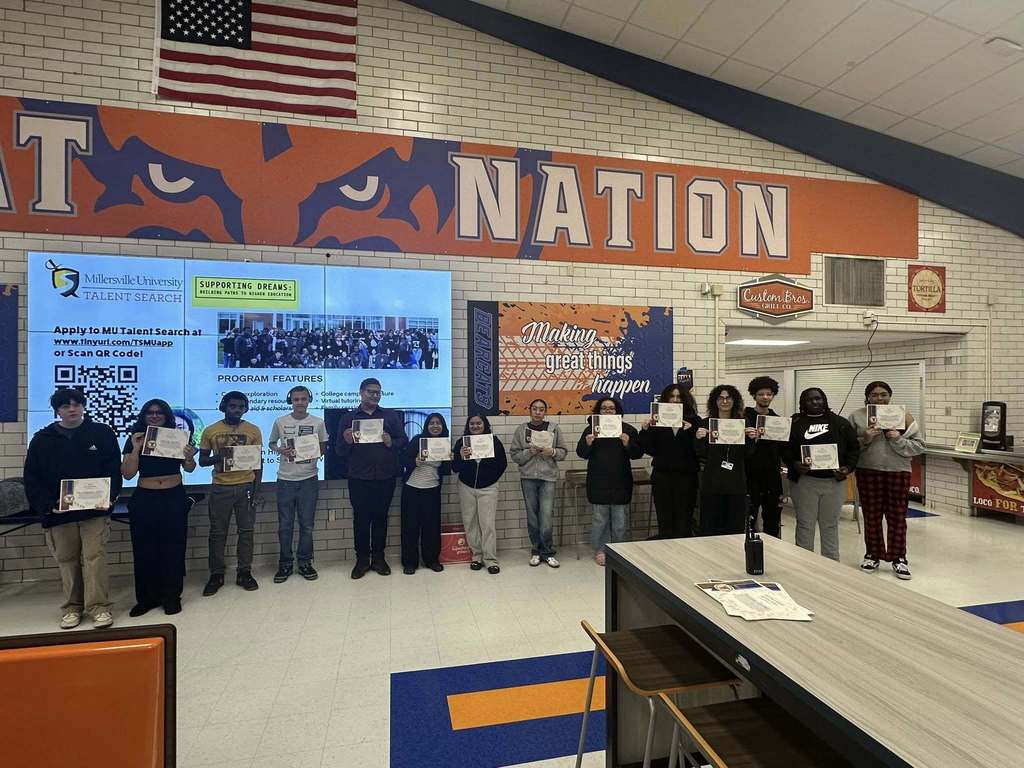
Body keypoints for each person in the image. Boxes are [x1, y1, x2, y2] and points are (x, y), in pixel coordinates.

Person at [23, 388, 122, 629]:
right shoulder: (42, 439)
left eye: (76, 404)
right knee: (67, 560)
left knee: (94, 558)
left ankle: (99, 608)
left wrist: (109, 498)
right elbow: (32, 478)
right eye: (65, 406)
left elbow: (113, 470)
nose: (71, 409)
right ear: (57, 410)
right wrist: (48, 506)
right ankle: (72, 608)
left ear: (83, 406)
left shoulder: (101, 433)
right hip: (59, 514)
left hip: (95, 512)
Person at [121, 399, 196, 616]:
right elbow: (127, 473)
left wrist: (189, 457)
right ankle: (146, 599)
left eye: (159, 413)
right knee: (145, 551)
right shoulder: (135, 438)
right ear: (144, 416)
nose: (154, 416)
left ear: (166, 417)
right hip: (145, 499)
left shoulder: (177, 437)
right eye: (150, 413)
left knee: (173, 549)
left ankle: (172, 597)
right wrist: (135, 449)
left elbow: (189, 469)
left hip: (173, 497)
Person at [849, 381, 925, 580]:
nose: (879, 398)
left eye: (883, 394)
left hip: (898, 472)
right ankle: (872, 554)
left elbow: (919, 446)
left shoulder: (905, 417)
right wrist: (864, 439)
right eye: (874, 395)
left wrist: (897, 438)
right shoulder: (857, 417)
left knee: (897, 517)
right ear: (867, 397)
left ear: (890, 396)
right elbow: (848, 448)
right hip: (868, 471)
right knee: (871, 516)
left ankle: (899, 558)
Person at [336, 377, 408, 579]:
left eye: (378, 392)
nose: (375, 395)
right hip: (358, 478)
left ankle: (378, 558)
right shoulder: (348, 418)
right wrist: (346, 440)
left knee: (380, 518)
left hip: (386, 476)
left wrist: (391, 442)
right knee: (360, 520)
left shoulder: (390, 416)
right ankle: (361, 560)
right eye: (370, 392)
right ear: (361, 392)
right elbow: (339, 451)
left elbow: (403, 440)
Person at [783, 388, 860, 561]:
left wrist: (847, 468)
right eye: (810, 400)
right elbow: (785, 450)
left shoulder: (840, 423)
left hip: (834, 483)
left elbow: (854, 449)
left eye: (818, 399)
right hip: (804, 483)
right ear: (803, 403)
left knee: (830, 525)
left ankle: (831, 563)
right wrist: (794, 464)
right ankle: (804, 564)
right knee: (805, 524)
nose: (815, 402)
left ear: (824, 400)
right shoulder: (794, 424)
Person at [198, 391, 263, 595]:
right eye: (232, 406)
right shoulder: (211, 431)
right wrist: (222, 457)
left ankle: (244, 571)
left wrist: (257, 489)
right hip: (220, 487)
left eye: (241, 407)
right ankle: (216, 574)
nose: (236, 410)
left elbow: (257, 462)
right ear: (225, 406)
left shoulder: (253, 430)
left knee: (246, 531)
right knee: (218, 533)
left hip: (246, 486)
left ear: (245, 408)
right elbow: (202, 461)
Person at [269, 386, 328, 584]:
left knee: (307, 526)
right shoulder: (280, 421)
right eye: (296, 399)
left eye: (303, 399)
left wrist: (314, 451)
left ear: (309, 400)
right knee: (285, 525)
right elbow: (271, 443)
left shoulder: (318, 423)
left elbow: (323, 447)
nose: (300, 402)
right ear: (290, 400)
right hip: (285, 479)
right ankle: (285, 563)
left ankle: (304, 563)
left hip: (309, 479)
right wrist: (280, 450)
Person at [576, 397, 643, 566]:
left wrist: (628, 444)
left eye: (611, 408)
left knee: (620, 521)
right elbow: (581, 453)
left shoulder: (627, 430)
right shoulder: (591, 430)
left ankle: (619, 551)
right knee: (600, 520)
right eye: (604, 408)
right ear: (598, 411)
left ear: (617, 411)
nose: (607, 411)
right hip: (598, 481)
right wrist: (588, 443)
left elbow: (637, 454)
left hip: (621, 481)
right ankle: (601, 550)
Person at [509, 399, 568, 567]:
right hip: (528, 477)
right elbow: (514, 455)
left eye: (541, 409)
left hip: (548, 477)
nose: (537, 412)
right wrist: (529, 452)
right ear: (530, 411)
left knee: (546, 516)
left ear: (545, 412)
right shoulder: (521, 430)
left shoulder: (554, 428)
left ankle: (547, 552)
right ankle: (536, 551)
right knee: (532, 516)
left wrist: (553, 452)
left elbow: (563, 453)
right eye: (534, 408)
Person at [640, 384, 700, 539]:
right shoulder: (657, 420)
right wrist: (645, 431)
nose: (675, 400)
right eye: (671, 396)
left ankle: (682, 553)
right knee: (664, 515)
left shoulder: (695, 421)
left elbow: (698, 450)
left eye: (678, 396)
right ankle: (665, 550)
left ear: (685, 399)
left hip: (686, 476)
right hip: (662, 475)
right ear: (665, 399)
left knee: (684, 515)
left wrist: (691, 431)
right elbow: (649, 449)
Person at [453, 413, 508, 574]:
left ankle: (490, 559)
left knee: (487, 524)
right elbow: (454, 467)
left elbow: (502, 463)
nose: (475, 426)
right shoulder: (461, 443)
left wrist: (491, 479)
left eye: (478, 423)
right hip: (466, 487)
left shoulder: (494, 441)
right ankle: (476, 556)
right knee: (470, 522)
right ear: (467, 426)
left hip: (488, 488)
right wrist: (461, 457)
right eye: (472, 424)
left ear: (485, 424)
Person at [695, 385, 754, 536]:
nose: (725, 401)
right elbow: (700, 453)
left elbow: (748, 453)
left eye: (728, 398)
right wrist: (699, 438)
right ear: (715, 401)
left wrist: (751, 439)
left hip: (736, 483)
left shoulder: (743, 423)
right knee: (710, 526)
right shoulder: (706, 423)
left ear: (735, 401)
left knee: (734, 528)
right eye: (721, 398)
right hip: (712, 483)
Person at [399, 413, 451, 574]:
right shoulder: (417, 441)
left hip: (432, 489)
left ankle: (431, 560)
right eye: (432, 423)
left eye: (438, 423)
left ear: (443, 426)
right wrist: (414, 461)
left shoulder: (445, 443)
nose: (435, 426)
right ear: (426, 426)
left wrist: (451, 459)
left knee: (431, 527)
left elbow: (447, 470)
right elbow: (402, 460)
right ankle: (410, 562)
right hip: (412, 488)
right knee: (410, 527)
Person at [744, 376, 784, 538]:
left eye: (769, 394)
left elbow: (783, 449)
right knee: (749, 517)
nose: (765, 397)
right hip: (749, 474)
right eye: (761, 394)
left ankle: (772, 551)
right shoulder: (744, 417)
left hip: (772, 476)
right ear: (754, 395)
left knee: (772, 519)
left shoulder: (779, 421)